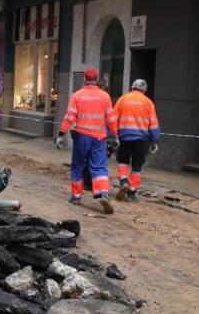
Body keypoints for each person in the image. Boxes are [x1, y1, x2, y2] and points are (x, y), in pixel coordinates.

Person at [55, 68, 117, 214]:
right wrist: (116, 135)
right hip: (99, 138)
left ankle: (76, 196)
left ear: (84, 79)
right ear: (97, 79)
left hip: (82, 136)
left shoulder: (77, 95)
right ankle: (102, 192)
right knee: (99, 166)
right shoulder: (105, 96)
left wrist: (61, 134)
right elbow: (111, 118)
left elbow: (70, 116)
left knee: (78, 166)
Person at [110, 79, 161, 202]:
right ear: (144, 90)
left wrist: (115, 135)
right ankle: (132, 193)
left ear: (132, 87)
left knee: (123, 161)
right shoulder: (148, 103)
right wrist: (155, 140)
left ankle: (123, 181)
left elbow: (113, 119)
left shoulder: (122, 99)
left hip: (125, 137)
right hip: (141, 139)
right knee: (137, 165)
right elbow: (153, 124)